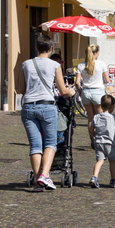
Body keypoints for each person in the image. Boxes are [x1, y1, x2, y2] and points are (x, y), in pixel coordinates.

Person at [20, 34, 75, 191]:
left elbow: (20, 89)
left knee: (35, 146)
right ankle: (45, 175)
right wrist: (70, 92)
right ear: (51, 48)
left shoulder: (25, 64)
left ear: (36, 48)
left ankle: (39, 181)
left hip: (29, 107)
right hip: (47, 106)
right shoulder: (54, 65)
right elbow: (63, 90)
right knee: (50, 143)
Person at [88, 94, 115, 188]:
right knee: (112, 161)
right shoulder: (113, 117)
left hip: (98, 142)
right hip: (110, 144)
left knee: (99, 161)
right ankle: (113, 179)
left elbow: (91, 129)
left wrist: (94, 135)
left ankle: (94, 177)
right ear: (112, 106)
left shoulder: (96, 117)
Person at [75, 44, 109, 140]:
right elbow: (106, 80)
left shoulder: (81, 65)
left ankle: (92, 137)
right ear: (95, 53)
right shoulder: (101, 64)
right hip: (98, 92)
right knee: (99, 118)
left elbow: (77, 82)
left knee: (91, 118)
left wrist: (80, 92)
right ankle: (99, 138)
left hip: (86, 92)